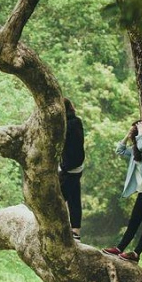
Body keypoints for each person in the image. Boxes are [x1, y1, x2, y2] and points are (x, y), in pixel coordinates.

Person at [102, 120, 142, 263]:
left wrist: (141, 130)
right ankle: (119, 248)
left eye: (134, 132)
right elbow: (120, 150)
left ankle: (136, 254)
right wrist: (126, 134)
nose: (133, 135)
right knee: (133, 222)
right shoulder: (134, 152)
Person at [60, 98, 85, 240]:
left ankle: (66, 230)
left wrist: (63, 167)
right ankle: (75, 231)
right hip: (76, 166)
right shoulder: (76, 122)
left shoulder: (66, 125)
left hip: (70, 168)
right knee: (74, 198)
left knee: (58, 199)